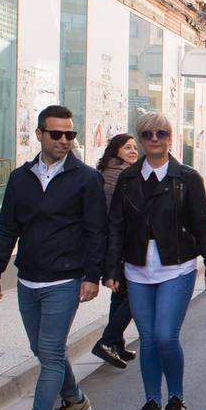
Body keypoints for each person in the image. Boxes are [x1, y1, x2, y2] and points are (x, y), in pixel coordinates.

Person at [0, 106, 105, 410]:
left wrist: (91, 276)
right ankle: (76, 400)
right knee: (43, 350)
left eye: (70, 135)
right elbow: (8, 227)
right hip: (28, 280)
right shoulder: (20, 178)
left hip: (65, 280)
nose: (65, 141)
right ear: (39, 134)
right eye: (57, 134)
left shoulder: (86, 178)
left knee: (50, 352)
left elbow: (97, 231)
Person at [105, 113, 206, 410]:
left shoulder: (187, 178)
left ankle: (175, 400)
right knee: (148, 340)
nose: (154, 139)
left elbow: (203, 225)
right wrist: (111, 268)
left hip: (177, 267)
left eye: (161, 133)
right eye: (147, 134)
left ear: (170, 138)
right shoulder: (128, 179)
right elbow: (115, 227)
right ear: (140, 139)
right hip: (137, 270)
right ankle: (152, 404)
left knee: (165, 335)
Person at [92, 134, 140, 369]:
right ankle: (108, 340)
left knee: (120, 294)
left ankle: (116, 343)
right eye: (127, 147)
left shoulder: (121, 172)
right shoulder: (117, 176)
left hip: (121, 244)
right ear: (115, 151)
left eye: (134, 147)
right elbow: (116, 216)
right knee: (137, 294)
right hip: (120, 245)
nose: (133, 151)